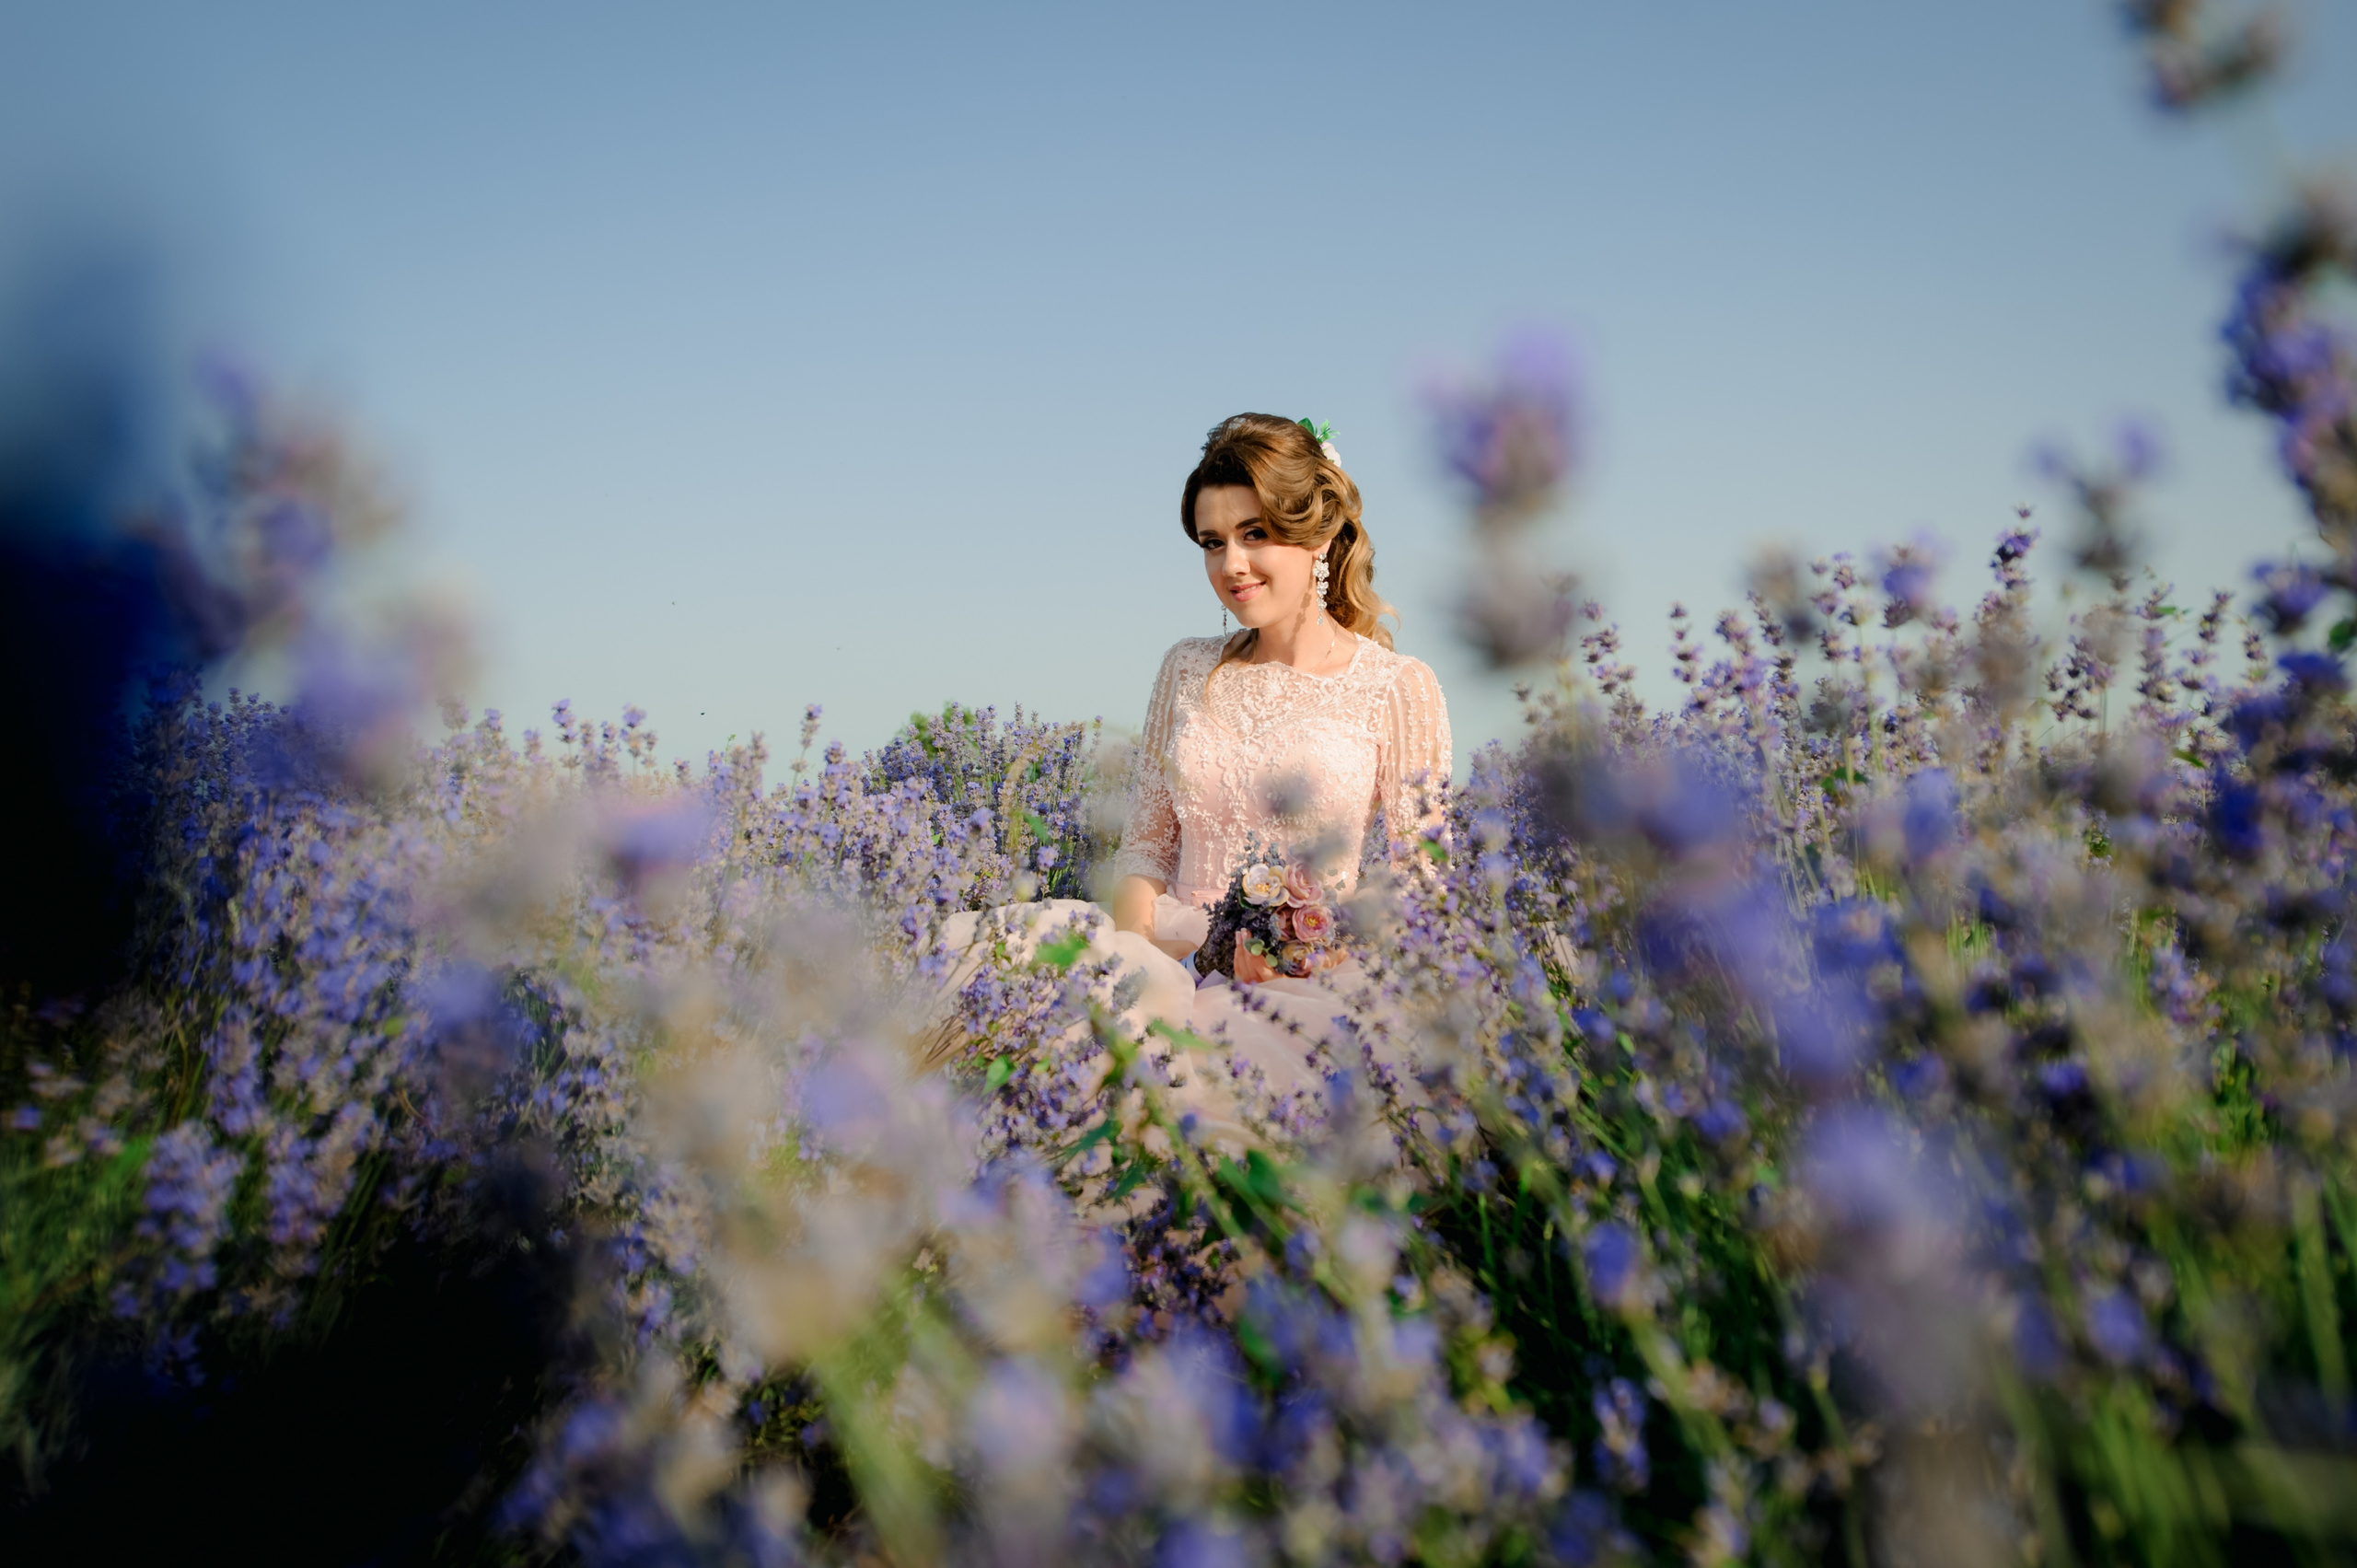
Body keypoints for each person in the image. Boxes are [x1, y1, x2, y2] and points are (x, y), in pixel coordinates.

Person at [930, 413, 1451, 1139]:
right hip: (1163, 959)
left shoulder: (1397, 686)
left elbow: (1422, 890)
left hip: (1306, 985)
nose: (1232, 563)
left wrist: (1312, 951)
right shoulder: (1187, 668)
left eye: (1255, 533)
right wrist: (1139, 969)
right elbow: (1144, 849)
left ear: (1320, 535)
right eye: (1213, 542)